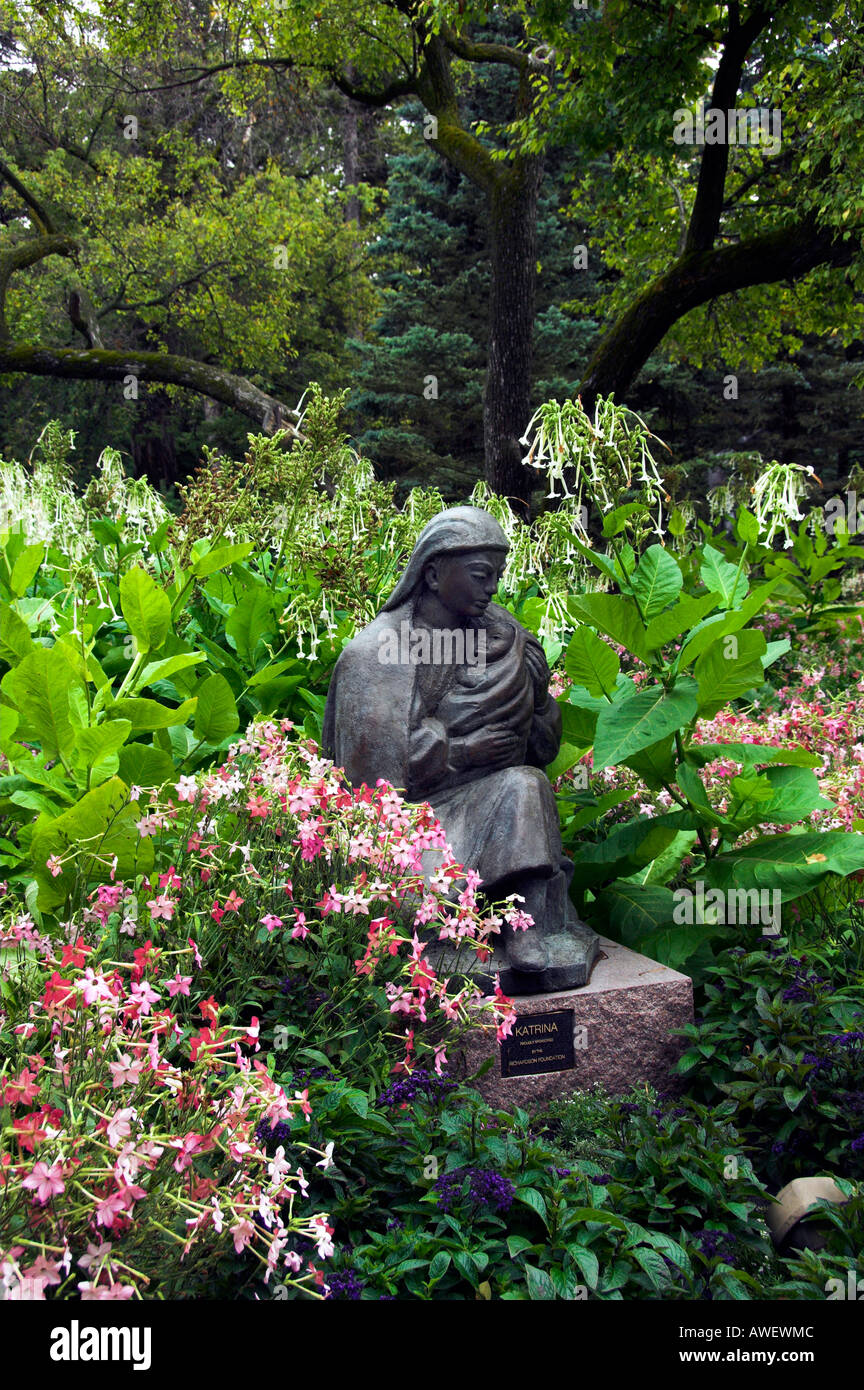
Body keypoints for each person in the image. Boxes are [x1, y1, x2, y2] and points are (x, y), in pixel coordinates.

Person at [322, 506, 599, 992]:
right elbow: (370, 782)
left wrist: (537, 700)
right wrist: (464, 751)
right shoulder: (378, 652)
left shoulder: (500, 636)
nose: (491, 588)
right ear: (432, 573)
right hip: (408, 826)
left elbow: (538, 749)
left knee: (526, 784)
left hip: (487, 801)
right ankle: (446, 928)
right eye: (480, 575)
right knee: (512, 792)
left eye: (496, 575)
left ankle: (525, 928)